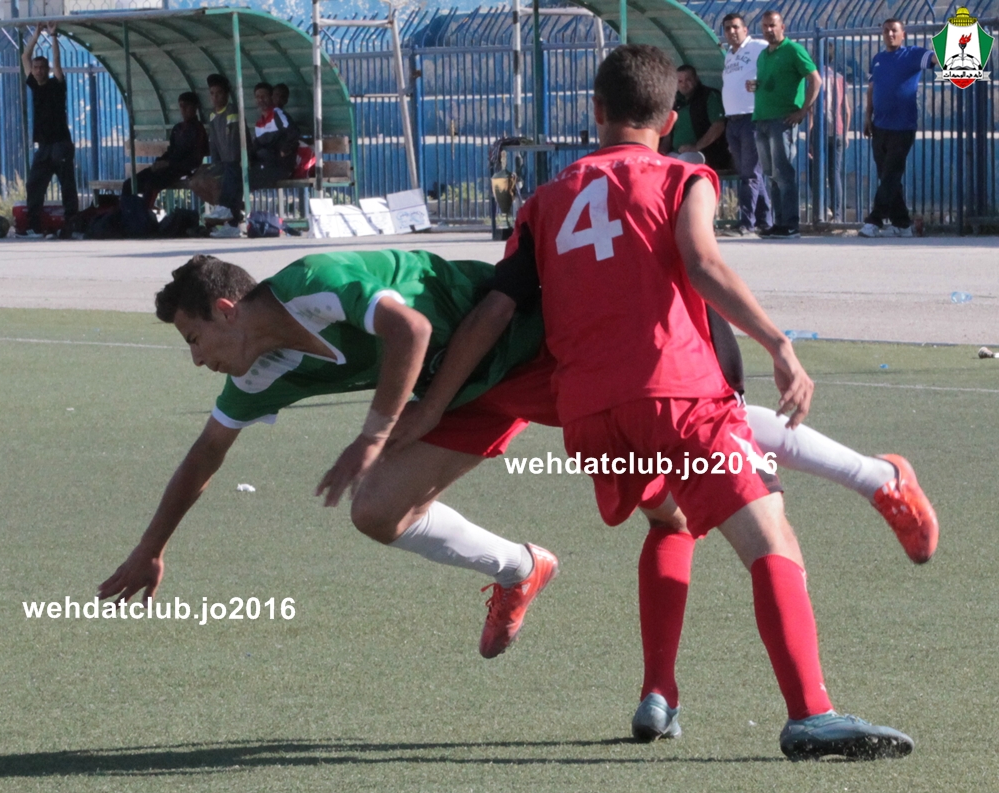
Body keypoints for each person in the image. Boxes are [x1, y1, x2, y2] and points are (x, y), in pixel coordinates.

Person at [400, 44, 913, 761]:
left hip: (590, 416)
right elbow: (701, 260)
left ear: (596, 111)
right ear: (671, 120)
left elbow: (494, 308)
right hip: (678, 396)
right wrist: (778, 343)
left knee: (669, 520)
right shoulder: (683, 174)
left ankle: (657, 695)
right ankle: (810, 713)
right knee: (771, 538)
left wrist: (432, 406)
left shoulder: (545, 201)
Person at [98, 251, 561, 660]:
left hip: (531, 334)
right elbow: (205, 454)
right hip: (464, 391)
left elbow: (411, 329)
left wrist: (372, 437)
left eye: (193, 339)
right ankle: (519, 568)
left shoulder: (311, 283)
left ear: (225, 311)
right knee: (377, 512)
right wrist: (150, 548)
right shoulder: (257, 374)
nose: (196, 359)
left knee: (609, 457)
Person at [860, 19, 937, 238]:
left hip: (903, 127)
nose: (890, 34)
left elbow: (935, 59)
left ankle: (874, 221)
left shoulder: (912, 54)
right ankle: (902, 224)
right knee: (887, 176)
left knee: (891, 173)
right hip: (879, 125)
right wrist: (867, 117)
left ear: (903, 34)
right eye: (886, 31)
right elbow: (872, 89)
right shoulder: (878, 59)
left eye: (894, 30)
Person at [750, 11, 821, 239]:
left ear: (783, 27)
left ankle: (791, 224)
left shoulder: (793, 50)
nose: (768, 30)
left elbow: (815, 80)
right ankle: (779, 223)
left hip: (782, 120)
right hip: (761, 118)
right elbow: (770, 83)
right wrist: (755, 86)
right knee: (771, 174)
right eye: (765, 26)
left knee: (783, 173)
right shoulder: (764, 55)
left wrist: (803, 111)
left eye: (772, 25)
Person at [20, 22, 79, 238]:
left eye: (41, 68)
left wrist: (53, 37)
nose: (38, 70)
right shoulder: (34, 85)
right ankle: (34, 226)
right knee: (34, 185)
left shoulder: (57, 85)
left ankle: (71, 224)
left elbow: (57, 61)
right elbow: (25, 57)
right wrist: (36, 34)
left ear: (47, 69)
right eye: (35, 68)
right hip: (44, 146)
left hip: (60, 144)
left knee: (67, 186)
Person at [720, 13, 772, 235]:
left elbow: (776, 64)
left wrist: (763, 82)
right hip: (732, 119)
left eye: (735, 27)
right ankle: (765, 221)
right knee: (749, 173)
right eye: (727, 28)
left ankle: (746, 223)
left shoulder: (758, 47)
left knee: (749, 174)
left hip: (751, 117)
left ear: (745, 29)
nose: (732, 32)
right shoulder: (729, 55)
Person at [122, 92, 209, 209]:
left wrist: (168, 163)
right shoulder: (177, 128)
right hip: (167, 168)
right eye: (181, 106)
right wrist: (158, 162)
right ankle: (127, 213)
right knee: (128, 184)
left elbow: (194, 160)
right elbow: (171, 151)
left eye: (187, 105)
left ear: (195, 107)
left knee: (152, 183)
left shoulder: (198, 130)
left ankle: (143, 213)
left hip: (182, 170)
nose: (183, 109)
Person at [188, 74, 243, 228]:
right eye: (212, 93)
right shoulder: (212, 115)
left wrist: (224, 165)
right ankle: (228, 212)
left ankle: (226, 212)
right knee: (196, 180)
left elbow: (234, 142)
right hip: (223, 163)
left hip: (236, 161)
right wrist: (216, 164)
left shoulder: (232, 111)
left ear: (226, 94)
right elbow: (213, 142)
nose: (215, 97)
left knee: (227, 175)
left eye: (219, 93)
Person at [808, 47, 851, 222]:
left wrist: (810, 134)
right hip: (838, 130)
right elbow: (846, 110)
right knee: (835, 174)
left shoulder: (814, 78)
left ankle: (821, 211)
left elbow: (811, 110)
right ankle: (838, 215)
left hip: (820, 130)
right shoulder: (839, 78)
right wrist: (846, 133)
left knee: (815, 172)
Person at [670, 65, 733, 172]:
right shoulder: (676, 100)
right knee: (662, 163)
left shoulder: (709, 96)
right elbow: (668, 131)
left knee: (681, 163)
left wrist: (696, 147)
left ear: (696, 79)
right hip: (676, 152)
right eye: (680, 81)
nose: (684, 84)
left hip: (703, 153)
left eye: (688, 80)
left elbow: (718, 125)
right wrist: (660, 151)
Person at [249, 82, 301, 190]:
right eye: (258, 97)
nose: (261, 100)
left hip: (281, 166)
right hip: (266, 164)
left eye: (264, 96)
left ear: (271, 97)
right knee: (240, 176)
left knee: (249, 179)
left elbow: (294, 133)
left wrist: (284, 151)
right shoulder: (259, 123)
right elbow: (256, 146)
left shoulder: (278, 115)